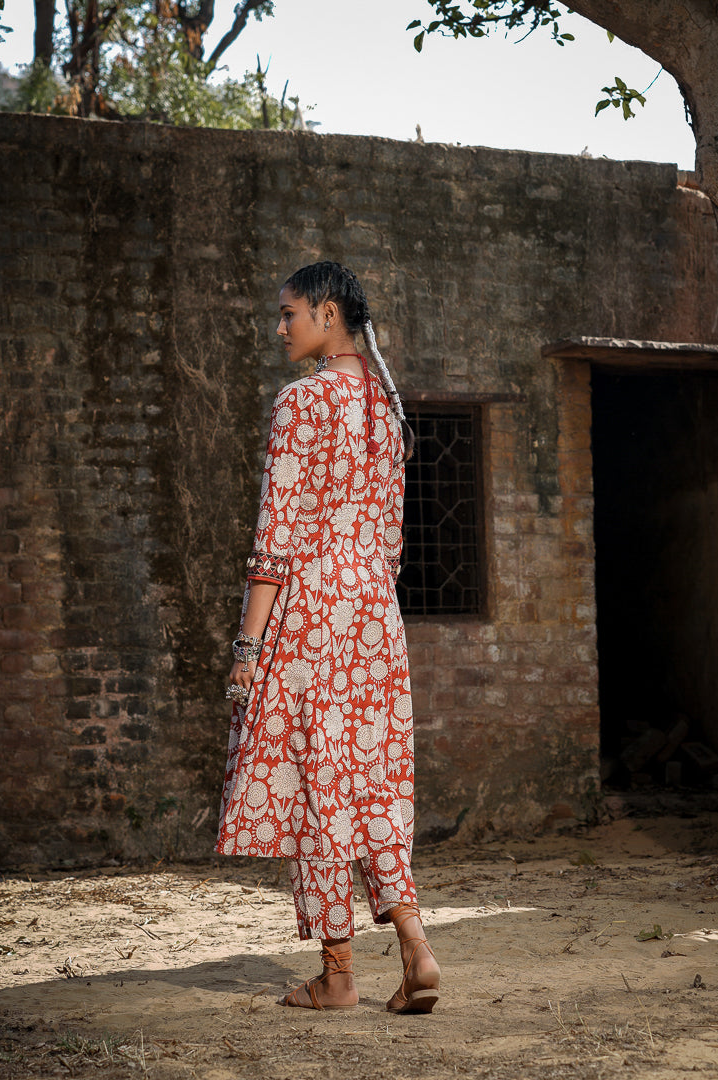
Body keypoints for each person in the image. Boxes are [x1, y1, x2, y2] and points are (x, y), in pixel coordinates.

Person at [215, 261, 440, 1014]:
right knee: (373, 776)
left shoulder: (302, 402)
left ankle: (338, 974)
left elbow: (275, 537)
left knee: (320, 784)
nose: (280, 328)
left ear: (330, 313)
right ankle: (413, 941)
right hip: (375, 610)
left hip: (311, 605)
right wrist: (363, 586)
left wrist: (247, 646)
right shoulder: (385, 406)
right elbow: (392, 539)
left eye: (289, 314)